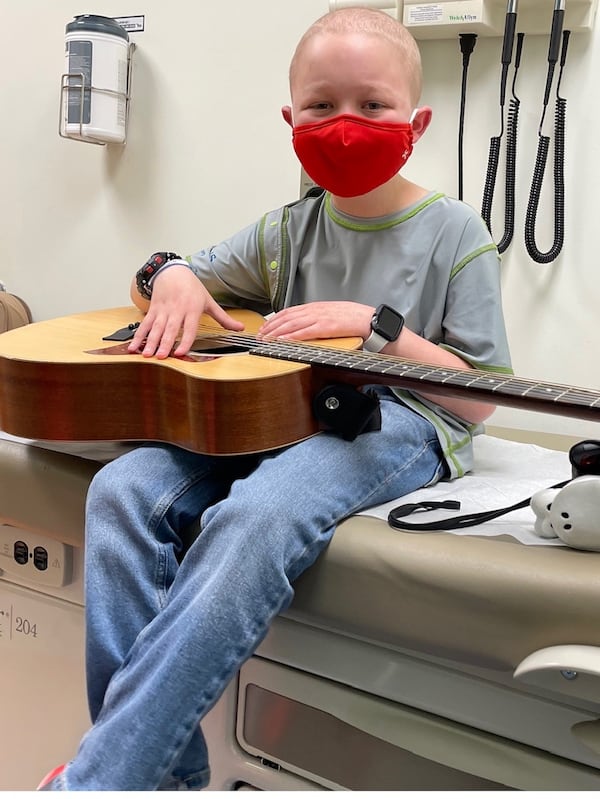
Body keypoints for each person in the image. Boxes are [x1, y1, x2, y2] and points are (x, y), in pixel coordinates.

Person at [38, 6, 512, 791]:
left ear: (417, 122)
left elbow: (482, 399)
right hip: (278, 412)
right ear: (291, 119)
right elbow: (160, 270)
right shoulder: (288, 230)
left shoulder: (457, 232)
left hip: (401, 417)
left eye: (372, 105)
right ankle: (165, 776)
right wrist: (174, 275)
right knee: (122, 490)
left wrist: (376, 327)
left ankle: (103, 781)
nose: (345, 124)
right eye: (322, 107)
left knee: (255, 515)